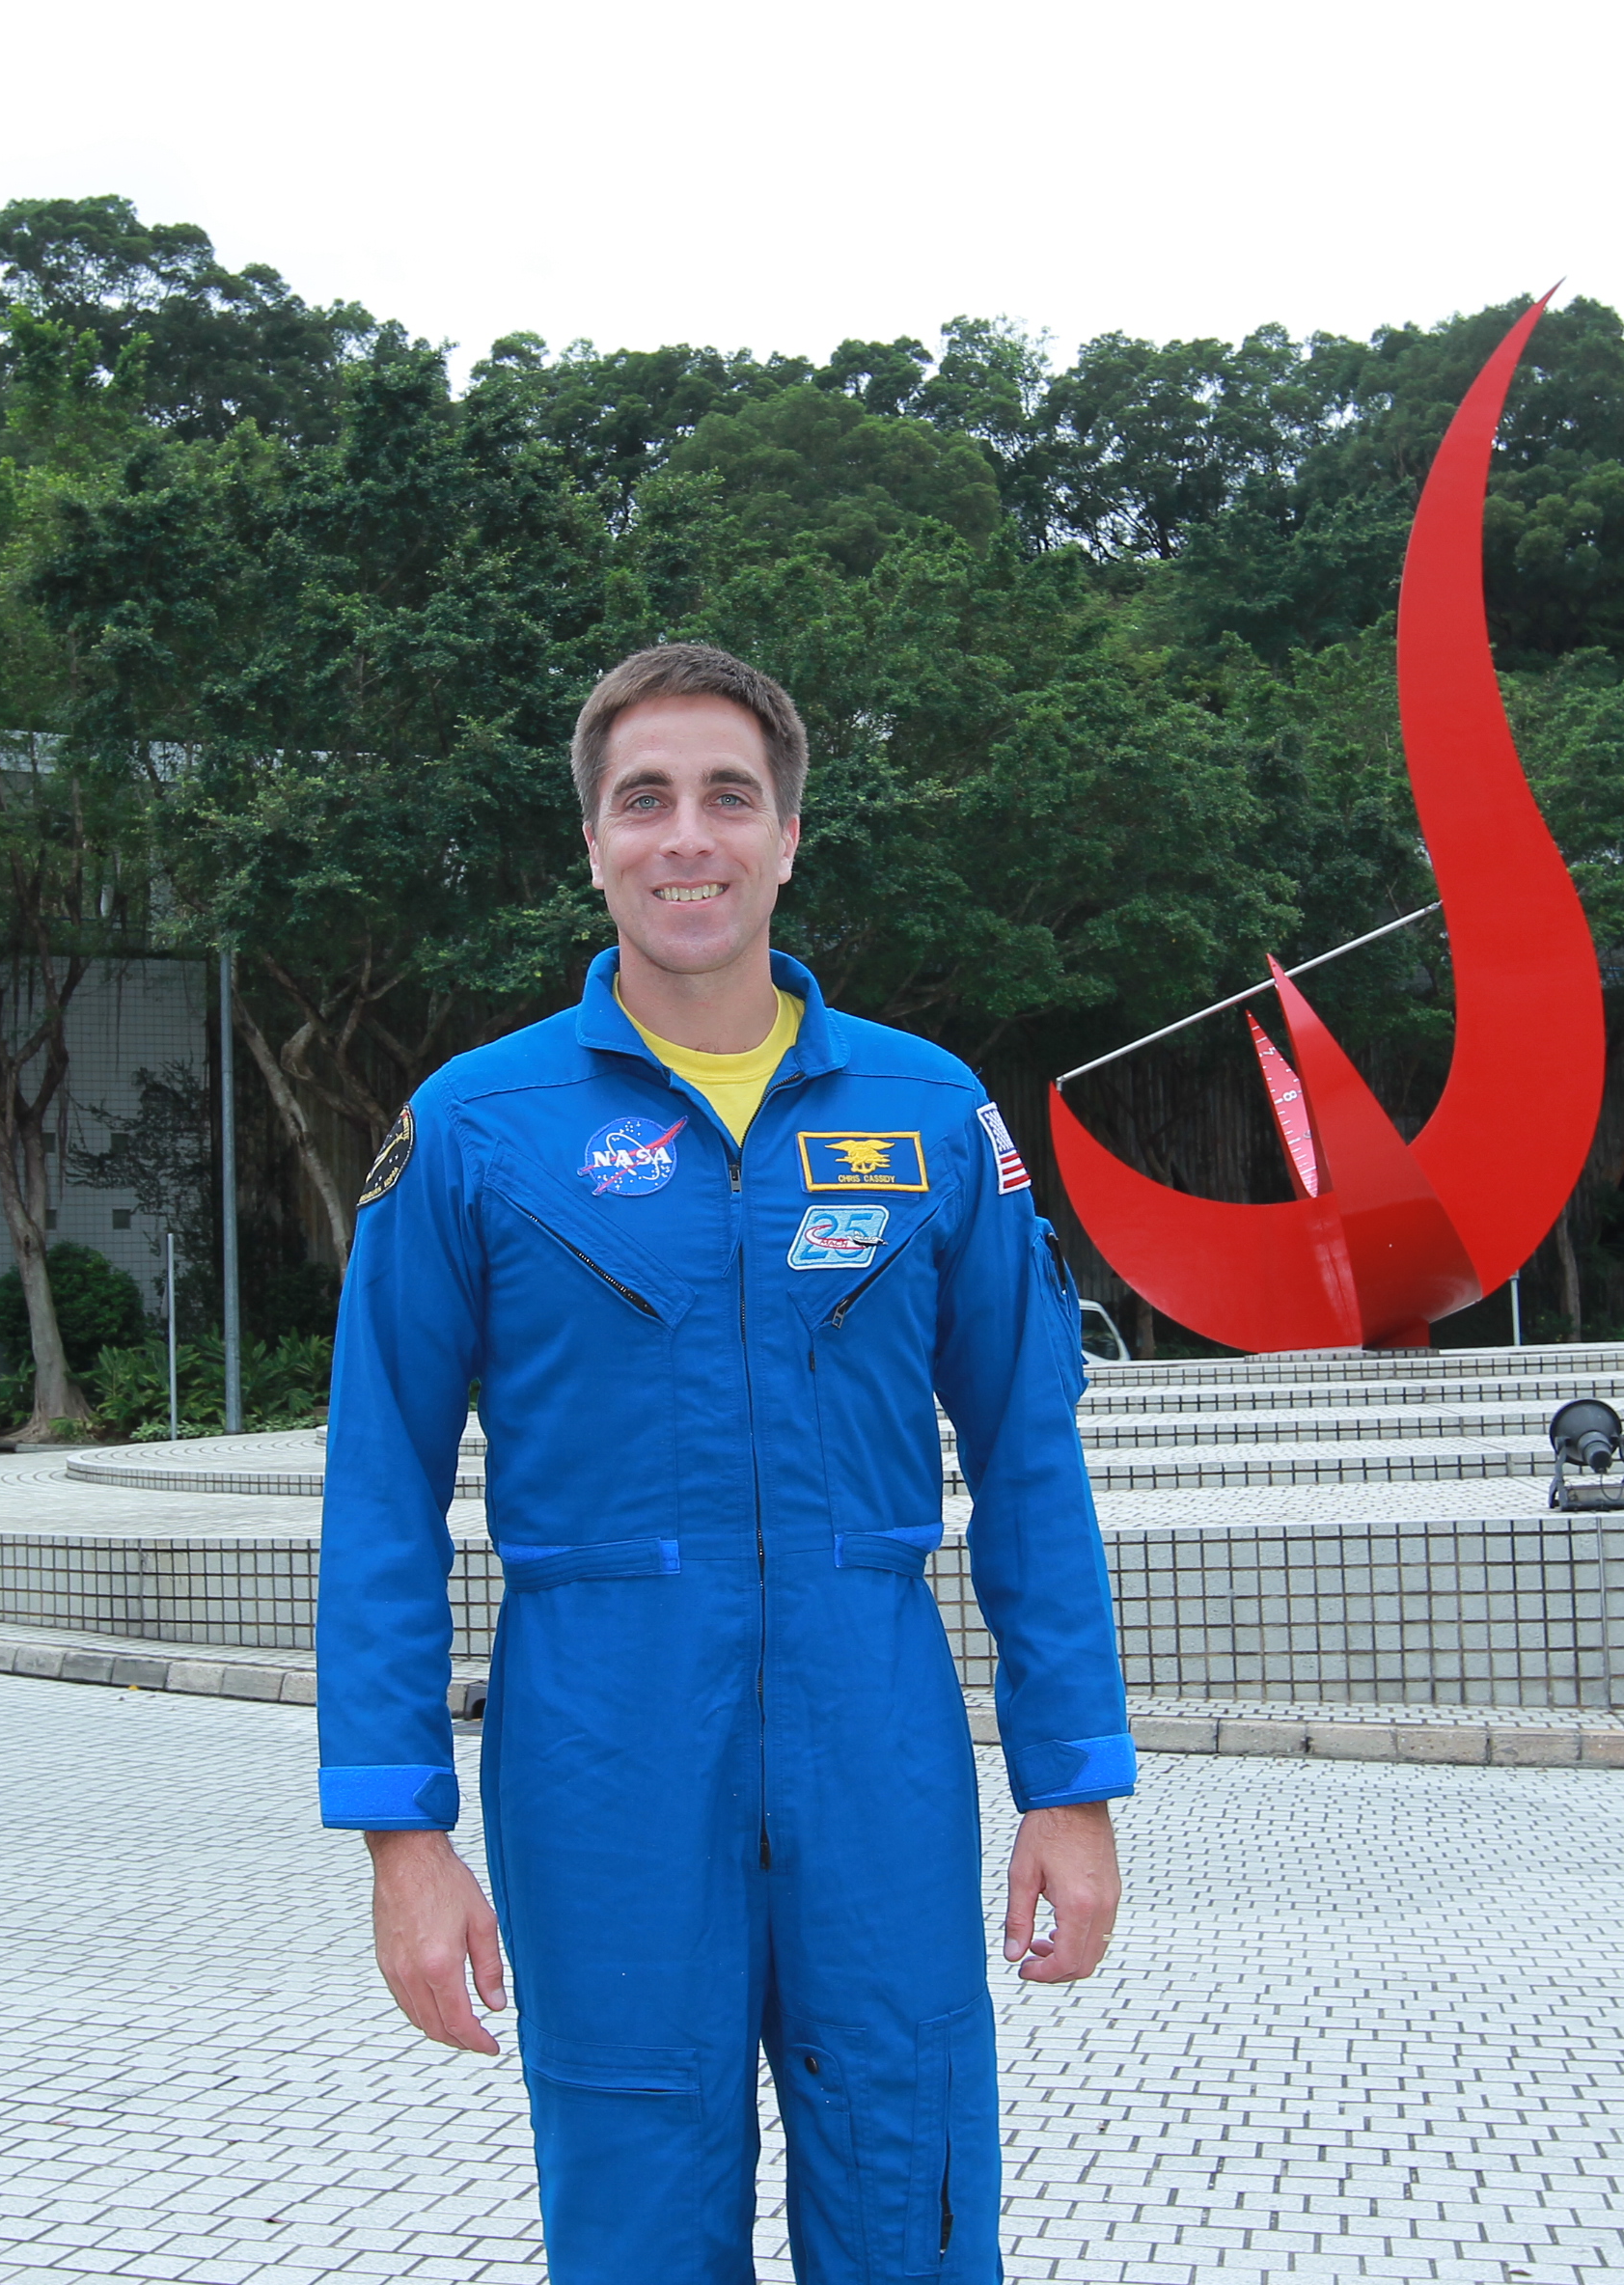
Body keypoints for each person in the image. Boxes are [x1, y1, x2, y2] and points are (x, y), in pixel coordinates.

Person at [318, 643, 1133, 2283]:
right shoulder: (478, 1127)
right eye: (645, 800)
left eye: (725, 798)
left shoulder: (930, 1112)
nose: (684, 836)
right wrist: (400, 1838)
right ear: (594, 839)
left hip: (876, 1735)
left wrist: (1071, 1782)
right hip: (598, 1748)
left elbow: (1030, 1466)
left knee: (911, 2188)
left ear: (788, 834)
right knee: (632, 2208)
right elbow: (378, 1498)